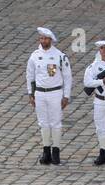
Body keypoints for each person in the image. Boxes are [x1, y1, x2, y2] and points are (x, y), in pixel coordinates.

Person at [27, 27, 71, 166]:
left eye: (46, 38)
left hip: (55, 92)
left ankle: (56, 151)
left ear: (51, 40)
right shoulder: (34, 55)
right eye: (41, 38)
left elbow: (67, 77)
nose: (43, 40)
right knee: (43, 123)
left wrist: (66, 95)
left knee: (56, 123)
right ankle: (46, 151)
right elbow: (30, 76)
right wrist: (31, 93)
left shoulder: (59, 56)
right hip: (40, 93)